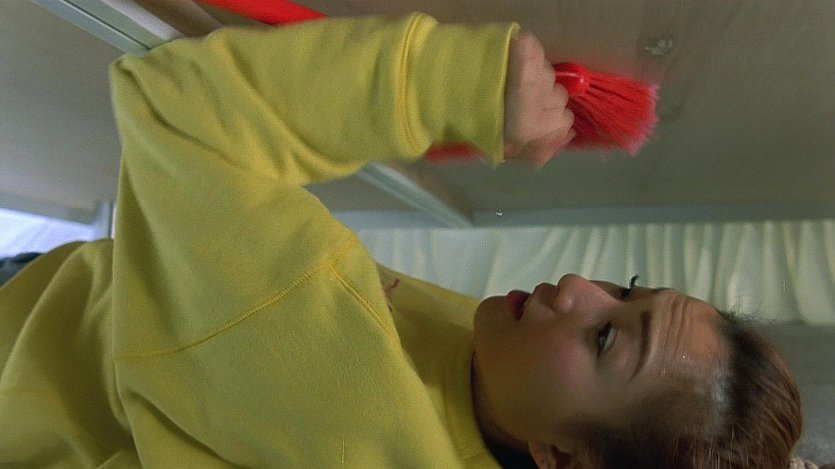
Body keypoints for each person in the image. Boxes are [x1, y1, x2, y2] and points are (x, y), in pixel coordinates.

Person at [0, 12, 803, 468]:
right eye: (625, 289)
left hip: (26, 341)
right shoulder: (504, 392)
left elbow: (176, 108)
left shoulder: (333, 381)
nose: (576, 287)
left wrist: (450, 87)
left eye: (604, 337)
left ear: (561, 457)